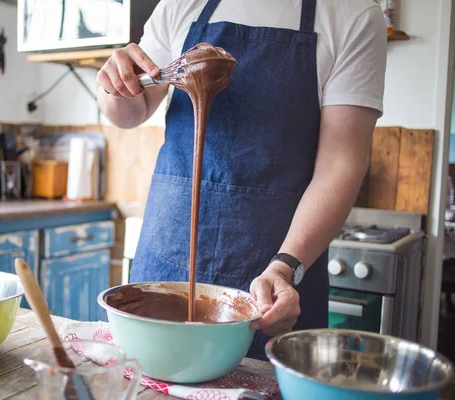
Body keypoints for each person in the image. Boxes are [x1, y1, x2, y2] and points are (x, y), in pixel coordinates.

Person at [96, 0, 387, 360]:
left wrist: (285, 268)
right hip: (167, 256)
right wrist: (114, 86)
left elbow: (340, 165)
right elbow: (130, 113)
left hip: (273, 275)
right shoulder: (180, 5)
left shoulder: (353, 14)